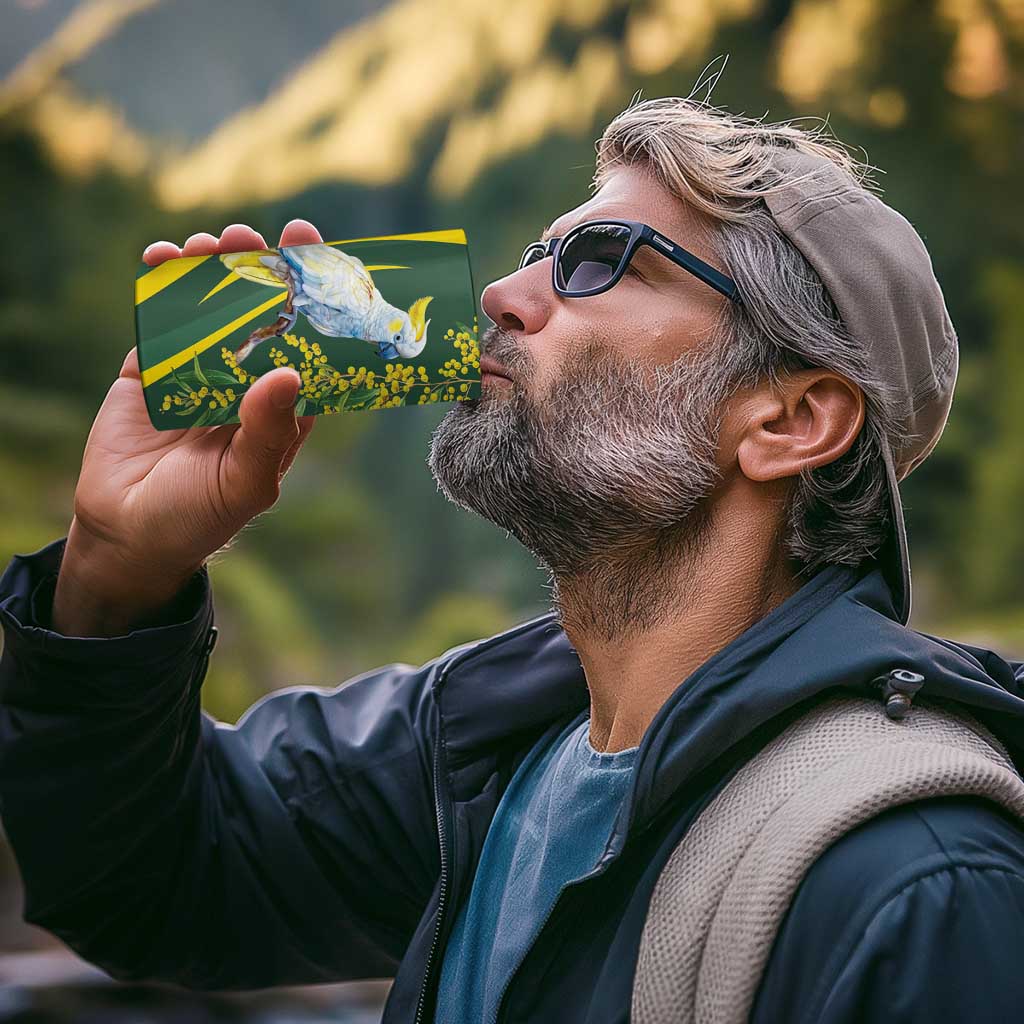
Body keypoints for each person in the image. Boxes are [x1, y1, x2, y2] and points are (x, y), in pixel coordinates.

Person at [2, 95, 1024, 1024]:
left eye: (600, 261)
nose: (500, 291)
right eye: (540, 252)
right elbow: (149, 880)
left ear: (791, 419)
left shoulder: (918, 884)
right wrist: (116, 571)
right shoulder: (479, 749)